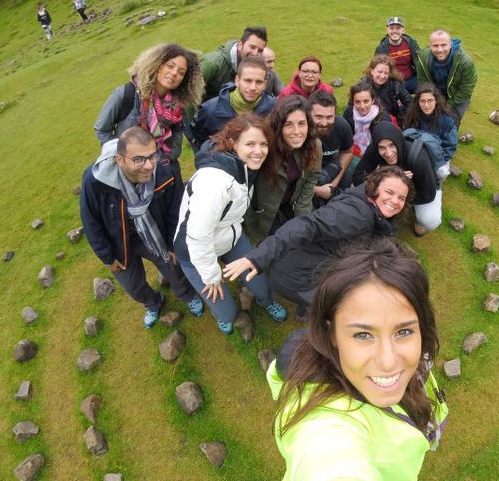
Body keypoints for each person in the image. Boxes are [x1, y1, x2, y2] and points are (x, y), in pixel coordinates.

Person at [265, 237, 448, 481]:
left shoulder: (410, 361)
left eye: (404, 331)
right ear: (331, 333)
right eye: (363, 334)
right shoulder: (325, 428)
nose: (387, 361)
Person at [223, 166, 413, 320]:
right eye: (389, 192)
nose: (395, 201)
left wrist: (393, 179)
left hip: (300, 265)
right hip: (299, 277)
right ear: (374, 187)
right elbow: (308, 225)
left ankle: (305, 309)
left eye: (401, 197)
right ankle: (311, 312)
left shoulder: (366, 200)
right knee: (337, 308)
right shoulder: (357, 215)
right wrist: (259, 257)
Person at [173, 114, 287, 334]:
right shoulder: (214, 183)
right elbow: (197, 237)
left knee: (261, 283)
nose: (259, 151)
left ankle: (266, 301)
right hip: (193, 251)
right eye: (250, 144)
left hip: (230, 237)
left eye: (264, 144)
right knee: (228, 312)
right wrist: (212, 276)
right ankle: (221, 314)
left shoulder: (243, 168)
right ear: (233, 143)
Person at [80, 127, 204, 328]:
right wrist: (107, 257)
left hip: (156, 235)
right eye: (138, 159)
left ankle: (188, 295)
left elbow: (175, 210)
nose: (148, 166)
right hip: (119, 243)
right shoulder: (95, 181)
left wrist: (173, 244)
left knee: (173, 268)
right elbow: (90, 221)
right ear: (120, 160)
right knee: (132, 286)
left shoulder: (164, 171)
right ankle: (153, 302)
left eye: (151, 156)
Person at [94, 43, 204, 169]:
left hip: (163, 168)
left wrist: (167, 159)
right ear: (158, 65)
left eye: (181, 72)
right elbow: (102, 129)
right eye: (170, 66)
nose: (174, 73)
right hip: (131, 170)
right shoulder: (126, 94)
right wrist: (122, 158)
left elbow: (177, 136)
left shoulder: (178, 105)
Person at [249, 95, 321, 240]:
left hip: (291, 201)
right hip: (264, 210)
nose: (296, 131)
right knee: (280, 246)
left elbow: (311, 179)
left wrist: (303, 216)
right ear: (279, 126)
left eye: (302, 123)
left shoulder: (313, 146)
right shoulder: (264, 147)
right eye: (288, 124)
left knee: (308, 238)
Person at [352, 122, 441, 236]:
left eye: (392, 145)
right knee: (357, 189)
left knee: (430, 220)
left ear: (398, 141)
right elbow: (357, 176)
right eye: (382, 148)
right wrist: (387, 178)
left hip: (422, 189)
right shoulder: (374, 148)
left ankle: (415, 218)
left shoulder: (419, 159)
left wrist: (400, 196)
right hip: (391, 187)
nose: (388, 153)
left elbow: (428, 195)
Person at [192, 54, 276, 151]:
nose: (253, 87)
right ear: (237, 80)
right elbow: (200, 140)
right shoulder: (209, 110)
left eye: (259, 82)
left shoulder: (272, 107)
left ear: (265, 84)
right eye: (248, 81)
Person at [415, 29, 477, 124]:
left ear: (450, 44)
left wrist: (447, 106)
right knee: (421, 116)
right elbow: (423, 83)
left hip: (457, 96)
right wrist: (434, 101)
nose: (440, 50)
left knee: (450, 122)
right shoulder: (423, 59)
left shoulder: (466, 62)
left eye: (443, 45)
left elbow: (466, 89)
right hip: (436, 93)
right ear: (430, 46)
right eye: (435, 46)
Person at [403, 83, 458, 182]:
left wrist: (433, 164)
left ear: (436, 101)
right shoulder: (412, 115)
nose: (426, 105)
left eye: (430, 101)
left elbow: (450, 147)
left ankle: (436, 183)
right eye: (422, 101)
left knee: (442, 172)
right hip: (416, 153)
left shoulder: (447, 120)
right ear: (418, 102)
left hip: (437, 157)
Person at [309, 90, 353, 205]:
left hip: (332, 168)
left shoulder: (342, 125)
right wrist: (317, 190)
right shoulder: (301, 130)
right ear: (308, 114)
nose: (324, 123)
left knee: (349, 176)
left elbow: (347, 152)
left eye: (329, 117)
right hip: (306, 173)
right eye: (319, 117)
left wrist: (333, 186)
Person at [200, 26, 268, 101]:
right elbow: (189, 97)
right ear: (240, 45)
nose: (255, 53)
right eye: (252, 47)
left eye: (260, 51)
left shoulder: (258, 69)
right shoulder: (211, 64)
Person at [342, 80, 394, 158]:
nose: (362, 106)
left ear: (372, 100)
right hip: (352, 150)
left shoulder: (383, 118)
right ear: (353, 102)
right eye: (357, 102)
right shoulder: (349, 112)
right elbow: (344, 137)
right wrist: (357, 152)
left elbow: (386, 145)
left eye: (366, 101)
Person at [374, 16, 421, 94]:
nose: (395, 31)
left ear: (403, 30)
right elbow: (375, 68)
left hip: (411, 79)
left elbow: (420, 62)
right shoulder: (381, 48)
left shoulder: (411, 43)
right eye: (392, 28)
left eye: (398, 28)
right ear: (387, 30)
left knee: (427, 90)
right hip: (392, 82)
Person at [363, 54, 412, 127]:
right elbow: (352, 108)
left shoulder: (395, 84)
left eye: (386, 73)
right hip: (370, 122)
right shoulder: (363, 87)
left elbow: (410, 102)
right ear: (372, 71)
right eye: (379, 72)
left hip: (393, 120)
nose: (382, 76)